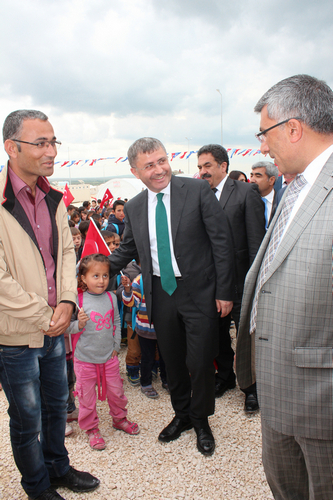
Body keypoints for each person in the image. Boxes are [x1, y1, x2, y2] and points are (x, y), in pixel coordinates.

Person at [236, 74, 333, 499]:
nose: (261, 146)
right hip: (278, 386)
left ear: (293, 128)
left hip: (322, 402)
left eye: (264, 132)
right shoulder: (296, 186)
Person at [108, 137, 234, 456]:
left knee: (202, 359)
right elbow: (127, 249)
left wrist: (224, 291)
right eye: (149, 165)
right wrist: (93, 270)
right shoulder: (135, 206)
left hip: (200, 293)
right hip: (160, 293)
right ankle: (182, 415)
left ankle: (201, 419)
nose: (159, 169)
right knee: (173, 361)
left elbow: (222, 242)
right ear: (136, 171)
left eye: (162, 160)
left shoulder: (196, 191)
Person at [0, 110, 99, 500]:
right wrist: (47, 315)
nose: (51, 151)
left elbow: (67, 254)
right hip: (17, 334)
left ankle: (58, 468)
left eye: (53, 141)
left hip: (57, 325)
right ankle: (37, 486)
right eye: (40, 142)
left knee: (58, 406)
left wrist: (69, 302)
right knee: (27, 418)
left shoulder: (53, 196)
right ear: (12, 147)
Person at [197, 144, 265, 412]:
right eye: (200, 167)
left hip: (239, 283)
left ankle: (251, 388)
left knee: (246, 337)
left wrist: (254, 283)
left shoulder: (246, 192)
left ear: (223, 166)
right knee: (217, 336)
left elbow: (256, 242)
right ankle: (224, 377)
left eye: (207, 166)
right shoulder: (198, 194)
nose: (202, 172)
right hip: (208, 284)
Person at [66, 254, 139, 451]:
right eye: (95, 276)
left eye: (105, 275)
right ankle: (91, 429)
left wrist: (116, 346)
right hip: (85, 361)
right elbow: (67, 328)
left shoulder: (110, 297)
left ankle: (119, 418)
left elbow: (116, 321)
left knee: (116, 392)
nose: (101, 280)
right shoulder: (77, 301)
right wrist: (78, 324)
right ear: (83, 278)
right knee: (86, 397)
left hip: (109, 358)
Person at [121, 271, 168, 399]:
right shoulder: (139, 280)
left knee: (166, 356)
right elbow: (130, 302)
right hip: (145, 327)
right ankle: (146, 383)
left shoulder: (167, 276)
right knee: (147, 357)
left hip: (165, 327)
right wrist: (127, 289)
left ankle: (166, 380)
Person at [250, 161, 278, 228]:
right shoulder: (245, 200)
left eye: (258, 176)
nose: (252, 180)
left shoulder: (281, 201)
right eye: (251, 176)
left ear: (271, 180)